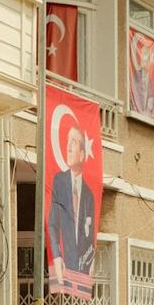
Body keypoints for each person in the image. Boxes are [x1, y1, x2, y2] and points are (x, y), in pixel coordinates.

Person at [47, 124, 95, 291]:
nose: (67, 147)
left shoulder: (89, 196)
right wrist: (56, 255)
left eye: (73, 142)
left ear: (82, 154)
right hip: (63, 267)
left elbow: (90, 237)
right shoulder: (59, 181)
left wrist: (91, 262)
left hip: (82, 272)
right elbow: (52, 224)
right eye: (67, 141)